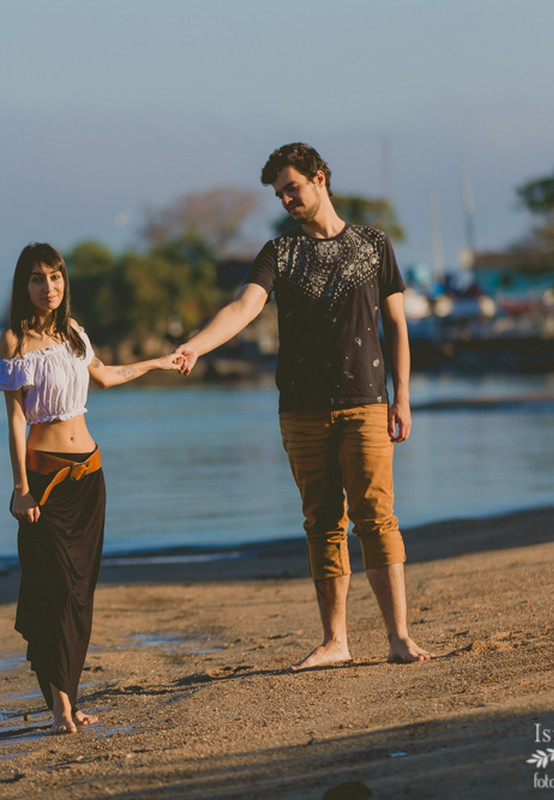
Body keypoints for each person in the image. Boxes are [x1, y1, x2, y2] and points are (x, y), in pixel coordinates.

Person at [174, 143, 432, 670]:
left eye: (292, 188)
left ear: (319, 179)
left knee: (377, 519)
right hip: (300, 410)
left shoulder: (374, 245)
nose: (286, 199)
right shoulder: (279, 253)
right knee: (322, 522)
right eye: (279, 194)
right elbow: (244, 307)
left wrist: (403, 396)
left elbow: (397, 325)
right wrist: (197, 346)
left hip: (366, 402)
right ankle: (335, 641)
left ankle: (399, 638)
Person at [0, 242, 180, 733]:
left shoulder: (74, 332)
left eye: (55, 277)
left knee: (79, 593)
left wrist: (157, 363)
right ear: (24, 285)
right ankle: (60, 708)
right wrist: (20, 487)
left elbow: (107, 377)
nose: (48, 287)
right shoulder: (14, 341)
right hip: (46, 481)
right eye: (37, 278)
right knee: (53, 589)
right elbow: (15, 420)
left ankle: (69, 699)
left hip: (90, 477)